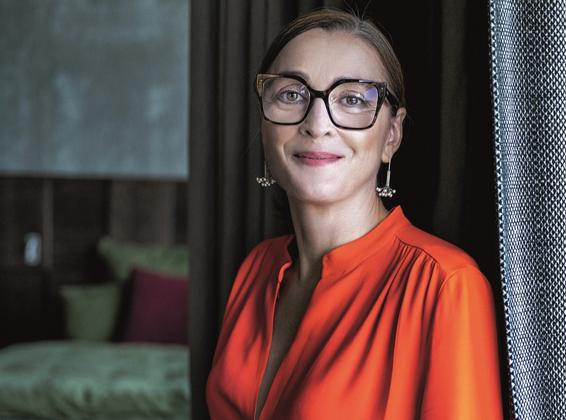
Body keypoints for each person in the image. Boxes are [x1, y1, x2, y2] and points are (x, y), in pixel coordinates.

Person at [206, 7, 503, 420]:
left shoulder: (445, 285)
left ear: (391, 136)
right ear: (265, 126)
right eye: (291, 94)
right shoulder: (256, 268)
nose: (317, 124)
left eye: (352, 99)